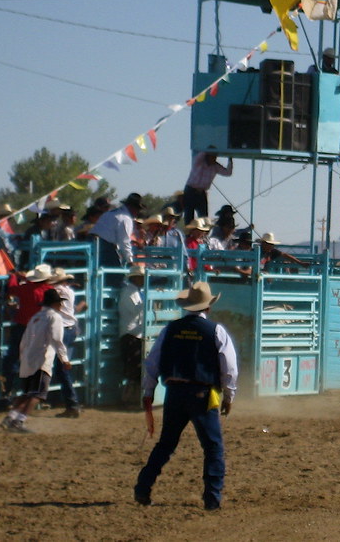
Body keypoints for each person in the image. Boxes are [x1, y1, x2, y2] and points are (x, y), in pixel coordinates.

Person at [135, 282, 239, 511]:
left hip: (175, 393)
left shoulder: (171, 329)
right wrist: (229, 396)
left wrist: (149, 391)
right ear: (208, 307)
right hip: (202, 394)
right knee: (212, 447)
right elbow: (229, 367)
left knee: (166, 443)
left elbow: (152, 362)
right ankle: (212, 498)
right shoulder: (216, 331)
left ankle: (143, 487)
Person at [0, 288, 70, 434]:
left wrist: (22, 357)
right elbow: (57, 340)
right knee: (37, 394)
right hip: (42, 359)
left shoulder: (36, 317)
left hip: (29, 358)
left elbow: (24, 340)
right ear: (55, 304)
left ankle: (11, 416)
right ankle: (19, 420)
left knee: (27, 392)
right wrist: (64, 359)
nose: (61, 306)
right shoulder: (54, 318)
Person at [1, 263, 53, 400]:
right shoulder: (49, 291)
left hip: (23, 326)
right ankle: (32, 392)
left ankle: (8, 390)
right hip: (40, 330)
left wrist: (13, 276)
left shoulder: (27, 288)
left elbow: (12, 289)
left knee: (13, 357)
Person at [47, 267, 85, 418]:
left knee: (60, 368)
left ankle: (72, 403)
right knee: (62, 367)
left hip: (61, 331)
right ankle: (70, 403)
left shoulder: (56, 292)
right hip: (70, 329)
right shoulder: (68, 291)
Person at [90, 193, 147, 268]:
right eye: (138, 209)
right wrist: (130, 260)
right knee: (116, 275)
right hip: (105, 247)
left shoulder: (109, 213)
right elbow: (124, 242)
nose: (138, 212)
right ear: (133, 208)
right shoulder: (126, 219)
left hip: (92, 243)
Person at [118, 264, 147, 406]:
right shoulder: (128, 293)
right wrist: (148, 302)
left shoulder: (134, 292)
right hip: (130, 333)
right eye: (141, 277)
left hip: (135, 333)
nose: (143, 280)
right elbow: (136, 311)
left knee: (135, 367)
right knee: (133, 367)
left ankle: (131, 398)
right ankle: (129, 398)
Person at [183, 151, 234, 224]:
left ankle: (203, 233)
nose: (214, 158)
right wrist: (207, 149)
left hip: (201, 192)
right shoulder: (199, 162)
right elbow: (201, 154)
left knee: (204, 216)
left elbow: (228, 173)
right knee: (189, 214)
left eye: (215, 156)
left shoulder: (215, 166)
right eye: (212, 156)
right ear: (207, 156)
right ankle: (189, 232)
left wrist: (230, 159)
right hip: (191, 190)